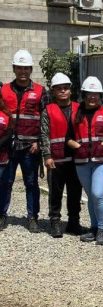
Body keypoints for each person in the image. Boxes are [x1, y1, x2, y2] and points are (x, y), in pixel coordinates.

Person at [66, 76, 103, 246]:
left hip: (102, 159)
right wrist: (76, 146)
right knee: (90, 196)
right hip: (82, 161)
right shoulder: (75, 114)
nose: (92, 97)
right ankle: (94, 228)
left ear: (100, 95)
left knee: (98, 194)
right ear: (84, 94)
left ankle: (102, 230)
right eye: (89, 93)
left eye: (96, 93)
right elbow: (68, 138)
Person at [0, 49, 49, 232]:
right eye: (19, 68)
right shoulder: (3, 90)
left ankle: (32, 217)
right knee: (6, 182)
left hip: (31, 147)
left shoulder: (40, 91)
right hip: (8, 145)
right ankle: (2, 215)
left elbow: (45, 120)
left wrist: (39, 142)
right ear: (13, 68)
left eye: (26, 68)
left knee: (31, 183)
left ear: (31, 69)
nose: (23, 71)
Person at [39, 72, 83, 238]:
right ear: (54, 92)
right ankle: (55, 222)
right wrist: (46, 156)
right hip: (55, 160)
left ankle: (73, 222)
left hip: (75, 159)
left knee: (75, 192)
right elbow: (44, 134)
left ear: (70, 90)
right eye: (59, 89)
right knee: (55, 193)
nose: (63, 91)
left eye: (66, 88)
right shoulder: (47, 111)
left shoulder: (79, 108)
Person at [0, 93, 13, 231]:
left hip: (1, 158)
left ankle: (1, 214)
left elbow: (9, 134)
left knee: (3, 187)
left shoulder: (5, 115)